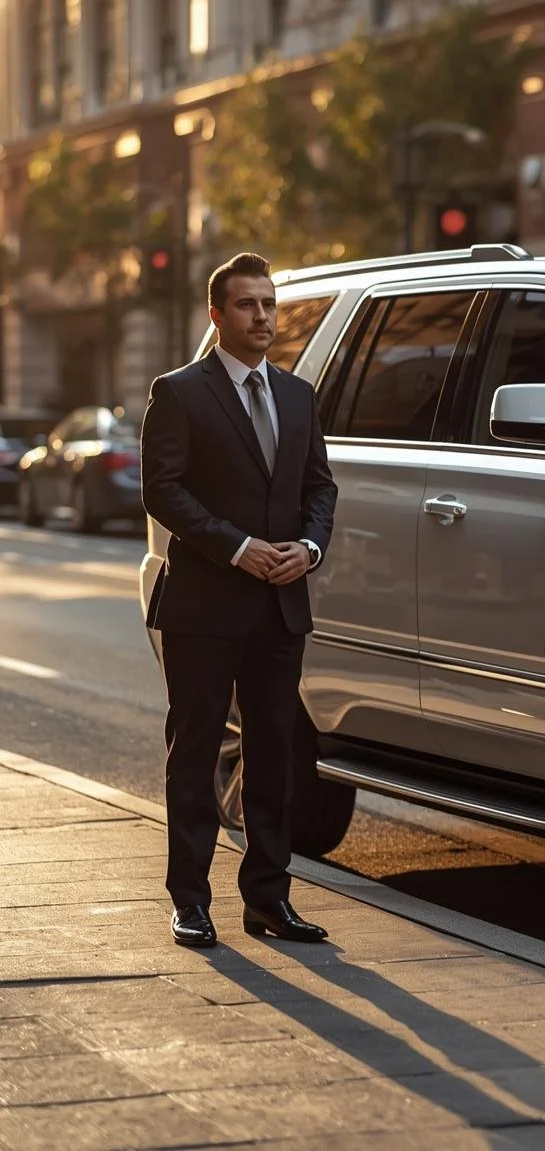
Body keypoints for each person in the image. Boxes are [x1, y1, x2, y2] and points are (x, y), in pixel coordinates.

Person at [141, 251, 337, 947]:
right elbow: (163, 489)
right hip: (203, 605)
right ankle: (190, 900)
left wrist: (306, 550)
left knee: (276, 755)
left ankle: (268, 902)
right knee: (194, 753)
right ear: (218, 315)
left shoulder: (297, 395)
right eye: (249, 305)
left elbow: (320, 488)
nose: (263, 317)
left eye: (270, 305)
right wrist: (237, 546)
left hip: (280, 606)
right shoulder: (180, 392)